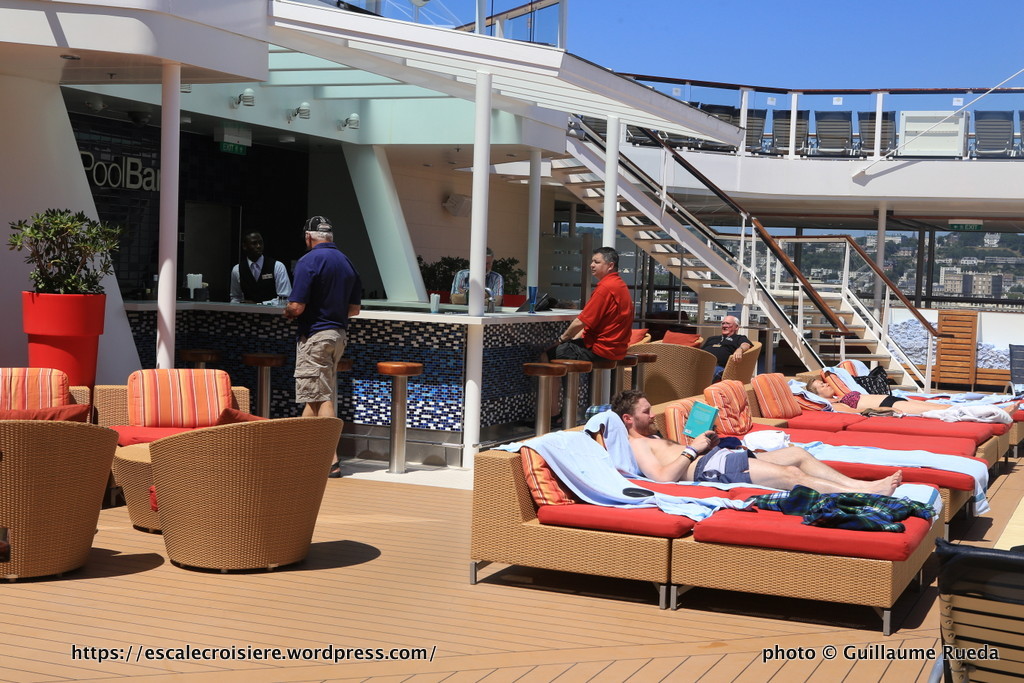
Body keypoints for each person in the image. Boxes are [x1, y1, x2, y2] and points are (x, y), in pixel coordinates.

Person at [611, 389, 901, 495]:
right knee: (792, 475)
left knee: (797, 453)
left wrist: (704, 444)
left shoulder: (652, 436)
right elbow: (663, 478)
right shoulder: (637, 445)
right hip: (714, 470)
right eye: (647, 411)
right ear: (627, 419)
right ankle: (864, 495)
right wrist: (692, 449)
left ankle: (862, 485)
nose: (652, 415)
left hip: (718, 459)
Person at [283, 215, 362, 478]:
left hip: (315, 336)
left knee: (321, 396)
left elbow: (296, 306)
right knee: (315, 394)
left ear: (308, 237)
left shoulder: (309, 261)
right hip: (338, 334)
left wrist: (287, 311)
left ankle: (332, 460)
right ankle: (293, 453)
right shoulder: (346, 261)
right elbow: (354, 310)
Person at [549, 247, 633, 363]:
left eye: (597, 262)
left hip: (600, 350)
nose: (591, 265)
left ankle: (557, 382)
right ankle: (571, 381)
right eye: (592, 261)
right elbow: (591, 324)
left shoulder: (605, 288)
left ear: (610, 266)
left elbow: (580, 322)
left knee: (549, 353)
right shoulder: (620, 285)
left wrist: (560, 340)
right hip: (616, 350)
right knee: (567, 348)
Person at [806, 377, 1016, 416]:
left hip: (893, 400)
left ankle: (997, 409)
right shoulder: (829, 404)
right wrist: (886, 410)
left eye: (823, 381)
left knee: (940, 405)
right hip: (891, 405)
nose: (826, 384)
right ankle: (999, 411)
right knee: (943, 410)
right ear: (816, 394)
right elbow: (857, 411)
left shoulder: (841, 394)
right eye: (820, 386)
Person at [230, 231, 292, 303]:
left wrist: (259, 305)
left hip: (273, 313)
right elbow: (235, 298)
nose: (259, 246)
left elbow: (285, 299)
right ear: (244, 246)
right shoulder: (237, 270)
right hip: (247, 313)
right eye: (254, 243)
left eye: (261, 242)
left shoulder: (277, 266)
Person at [701, 315, 752, 381]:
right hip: (702, 364)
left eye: (727, 323)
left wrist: (740, 349)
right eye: (723, 323)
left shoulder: (738, 338)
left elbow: (746, 344)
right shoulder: (712, 338)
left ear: (736, 327)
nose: (724, 326)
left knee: (711, 372)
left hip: (720, 367)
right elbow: (700, 351)